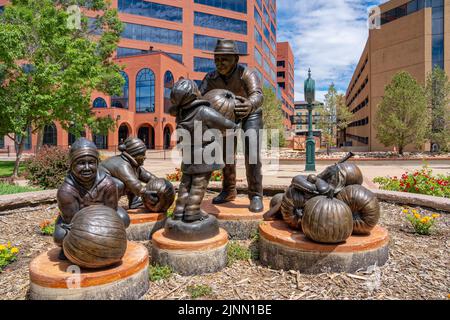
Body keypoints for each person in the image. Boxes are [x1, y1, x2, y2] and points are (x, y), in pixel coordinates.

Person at [199, 39, 265, 212]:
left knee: (252, 152)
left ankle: (256, 194)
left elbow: (258, 94)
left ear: (236, 59)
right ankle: (228, 190)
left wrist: (250, 104)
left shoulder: (247, 74)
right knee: (227, 154)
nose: (219, 63)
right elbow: (199, 98)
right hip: (227, 117)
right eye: (216, 59)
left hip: (250, 112)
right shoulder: (210, 78)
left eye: (224, 59)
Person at [169, 79, 238, 222]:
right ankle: (192, 212)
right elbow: (227, 124)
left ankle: (179, 211)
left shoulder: (181, 115)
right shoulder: (204, 111)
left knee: (185, 184)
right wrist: (236, 124)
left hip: (188, 155)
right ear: (194, 94)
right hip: (205, 154)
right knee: (199, 185)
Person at [53, 138, 130, 253]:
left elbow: (111, 214)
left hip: (104, 217)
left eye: (91, 162)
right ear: (72, 165)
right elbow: (72, 223)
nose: (87, 168)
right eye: (81, 163)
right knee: (60, 236)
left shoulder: (108, 184)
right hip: (77, 222)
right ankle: (70, 249)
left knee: (123, 219)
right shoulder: (66, 192)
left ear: (97, 163)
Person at [99, 137, 160, 210]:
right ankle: (109, 207)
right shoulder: (123, 165)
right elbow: (133, 183)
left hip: (106, 184)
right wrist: (146, 193)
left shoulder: (134, 165)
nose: (145, 157)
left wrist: (162, 183)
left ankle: (134, 201)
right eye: (142, 155)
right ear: (134, 155)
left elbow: (148, 176)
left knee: (133, 178)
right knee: (119, 185)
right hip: (100, 186)